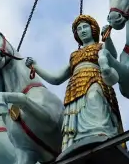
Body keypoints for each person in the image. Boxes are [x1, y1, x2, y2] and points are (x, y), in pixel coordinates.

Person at [26, 14, 123, 156]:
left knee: (94, 97)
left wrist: (107, 38)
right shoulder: (74, 56)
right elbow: (56, 78)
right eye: (79, 29)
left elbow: (111, 55)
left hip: (95, 80)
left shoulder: (100, 47)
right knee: (76, 113)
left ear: (92, 30)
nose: (82, 31)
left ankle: (100, 132)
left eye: (85, 27)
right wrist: (36, 67)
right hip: (75, 88)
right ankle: (77, 142)